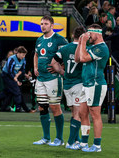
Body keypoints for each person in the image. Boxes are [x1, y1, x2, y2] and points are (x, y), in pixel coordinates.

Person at [33, 15, 68, 146]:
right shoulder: (39, 40)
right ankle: (46, 137)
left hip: (53, 78)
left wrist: (60, 68)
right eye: (41, 23)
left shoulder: (60, 39)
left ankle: (59, 139)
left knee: (55, 107)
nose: (43, 26)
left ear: (52, 25)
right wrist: (35, 67)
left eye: (46, 23)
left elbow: (68, 55)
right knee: (42, 107)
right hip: (40, 78)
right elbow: (36, 54)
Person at [75, 24, 109, 152]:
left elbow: (83, 58)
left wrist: (83, 41)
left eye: (90, 34)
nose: (88, 36)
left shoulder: (101, 48)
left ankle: (97, 145)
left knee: (95, 114)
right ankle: (84, 143)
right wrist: (80, 43)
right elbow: (78, 59)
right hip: (86, 84)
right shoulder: (91, 47)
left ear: (98, 34)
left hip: (96, 84)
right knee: (82, 113)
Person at [52, 26, 87, 150]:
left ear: (73, 35)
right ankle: (70, 142)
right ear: (83, 37)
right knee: (79, 114)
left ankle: (76, 140)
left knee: (74, 113)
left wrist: (62, 72)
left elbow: (53, 63)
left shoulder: (65, 48)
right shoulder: (84, 48)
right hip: (78, 84)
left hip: (67, 84)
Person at [0, 46, 35, 113]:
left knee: (9, 91)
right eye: (22, 54)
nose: (23, 56)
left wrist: (19, 76)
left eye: (24, 55)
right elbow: (10, 71)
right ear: (18, 53)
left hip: (14, 76)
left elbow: (22, 69)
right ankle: (18, 108)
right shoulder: (12, 59)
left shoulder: (23, 59)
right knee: (17, 91)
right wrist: (16, 80)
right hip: (6, 75)